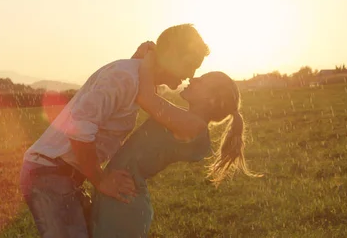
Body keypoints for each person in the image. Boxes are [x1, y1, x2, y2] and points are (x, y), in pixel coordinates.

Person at [19, 24, 210, 238]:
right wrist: (100, 180)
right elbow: (79, 128)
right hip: (49, 173)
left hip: (64, 174)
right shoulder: (124, 77)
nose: (191, 74)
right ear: (172, 54)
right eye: (189, 64)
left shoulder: (133, 77)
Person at [91, 51, 262, 238]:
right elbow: (147, 91)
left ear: (211, 100)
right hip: (119, 192)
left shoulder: (192, 125)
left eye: (202, 81)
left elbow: (145, 97)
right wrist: (139, 59)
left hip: (124, 199)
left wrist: (149, 60)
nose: (193, 79)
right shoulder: (185, 119)